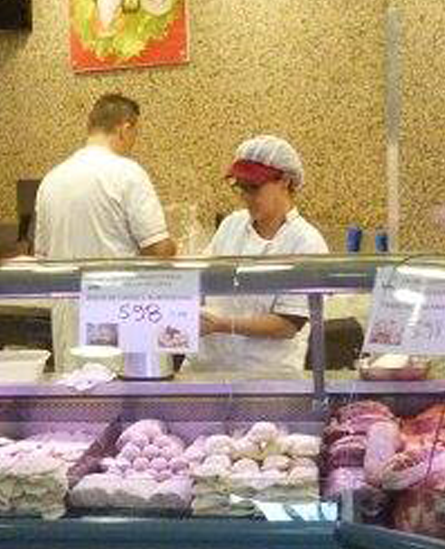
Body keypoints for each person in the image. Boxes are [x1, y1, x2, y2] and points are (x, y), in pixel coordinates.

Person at [34, 93, 176, 366]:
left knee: (82, 401)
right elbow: (159, 252)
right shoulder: (127, 173)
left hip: (70, 323)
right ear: (126, 128)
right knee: (134, 403)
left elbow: (42, 258)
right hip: (123, 319)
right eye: (136, 134)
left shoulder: (51, 181)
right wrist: (174, 244)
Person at [181, 135, 329, 375]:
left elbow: (288, 325)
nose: (246, 197)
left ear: (285, 181)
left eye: (254, 187)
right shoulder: (232, 224)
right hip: (205, 369)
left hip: (266, 377)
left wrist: (222, 325)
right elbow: (203, 276)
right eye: (240, 187)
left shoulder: (306, 243)